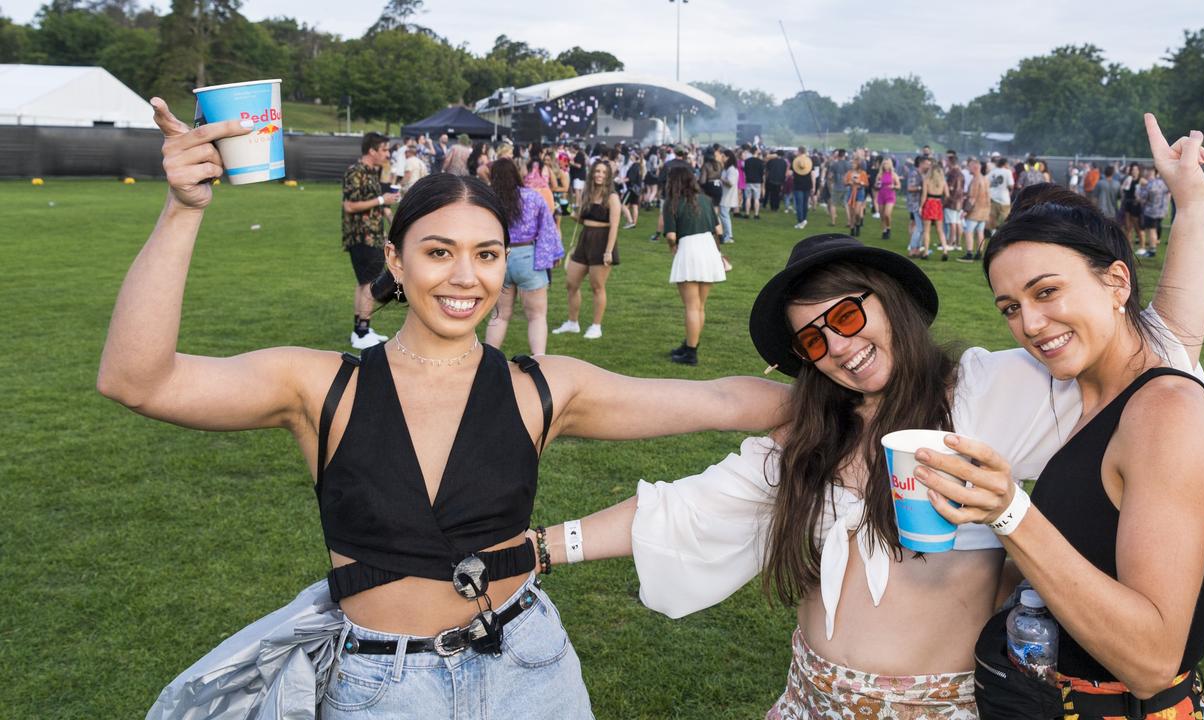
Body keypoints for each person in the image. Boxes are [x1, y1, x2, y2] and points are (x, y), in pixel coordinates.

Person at [117, 99, 792, 720]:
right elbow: (141, 380)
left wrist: (866, 403)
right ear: (397, 261)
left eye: (486, 255)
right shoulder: (319, 386)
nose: (465, 277)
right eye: (439, 253)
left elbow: (723, 399)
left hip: (533, 671)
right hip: (382, 689)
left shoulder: (544, 389)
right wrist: (182, 208)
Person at [528, 115, 1204, 720]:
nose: (841, 348)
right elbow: (684, 509)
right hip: (808, 696)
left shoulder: (987, 390)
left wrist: (1192, 206)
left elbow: (1154, 351)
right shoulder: (811, 435)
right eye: (815, 341)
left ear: (889, 303)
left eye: (849, 316)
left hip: (940, 706)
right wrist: (539, 549)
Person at [922, 117, 1204, 720]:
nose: (1030, 325)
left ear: (1117, 281)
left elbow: (1150, 660)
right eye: (1010, 307)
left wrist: (1010, 511)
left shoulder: (1165, 414)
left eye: (1046, 293)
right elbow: (1180, 319)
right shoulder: (1100, 391)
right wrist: (1192, 204)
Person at [483, 158, 563, 356]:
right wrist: (553, 254)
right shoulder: (533, 198)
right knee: (536, 316)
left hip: (499, 258)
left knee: (499, 315)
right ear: (516, 174)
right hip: (528, 258)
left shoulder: (488, 200)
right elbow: (547, 228)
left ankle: (488, 360)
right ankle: (539, 360)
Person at [342, 131, 400, 349]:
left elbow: (378, 205)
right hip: (361, 237)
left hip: (372, 235)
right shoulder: (355, 172)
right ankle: (362, 331)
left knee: (364, 283)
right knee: (370, 284)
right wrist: (380, 199)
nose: (387, 153)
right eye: (384, 149)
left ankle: (361, 329)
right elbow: (349, 205)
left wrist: (392, 217)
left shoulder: (371, 172)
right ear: (372, 150)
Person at [663, 166, 726, 366]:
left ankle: (690, 353)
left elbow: (671, 236)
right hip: (708, 249)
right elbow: (719, 229)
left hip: (689, 249)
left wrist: (672, 247)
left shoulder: (672, 203)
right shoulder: (706, 200)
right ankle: (691, 344)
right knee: (700, 306)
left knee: (691, 306)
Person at [552, 160, 620, 340]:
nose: (599, 175)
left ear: (608, 176)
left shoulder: (612, 197)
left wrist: (609, 251)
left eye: (603, 172)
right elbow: (582, 219)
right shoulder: (588, 194)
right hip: (585, 239)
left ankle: (596, 326)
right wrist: (568, 212)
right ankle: (572, 323)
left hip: (602, 241)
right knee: (571, 283)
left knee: (597, 286)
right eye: (597, 171)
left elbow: (614, 226)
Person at [959, 158, 989, 263]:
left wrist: (965, 211)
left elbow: (972, 198)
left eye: (969, 166)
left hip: (975, 211)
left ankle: (969, 254)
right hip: (985, 210)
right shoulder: (985, 178)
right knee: (980, 232)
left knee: (968, 232)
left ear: (975, 167)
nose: (968, 168)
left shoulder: (975, 180)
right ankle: (979, 253)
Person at [1137, 166, 1170, 258]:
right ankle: (1153, 247)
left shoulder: (1150, 184)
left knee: (1151, 231)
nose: (1147, 174)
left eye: (1149, 172)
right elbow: (1168, 194)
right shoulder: (1163, 183)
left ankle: (1152, 250)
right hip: (1161, 211)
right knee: (1155, 230)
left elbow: (1142, 198)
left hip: (1151, 211)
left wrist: (1141, 186)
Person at [919, 158, 947, 260]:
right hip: (938, 204)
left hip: (929, 204)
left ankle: (926, 252)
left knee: (927, 230)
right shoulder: (943, 181)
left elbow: (923, 196)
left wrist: (921, 207)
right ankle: (945, 250)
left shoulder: (926, 180)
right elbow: (947, 194)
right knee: (940, 230)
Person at [718, 147, 740, 244]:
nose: (722, 158)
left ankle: (729, 236)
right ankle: (726, 235)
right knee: (724, 215)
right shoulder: (727, 168)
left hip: (727, 196)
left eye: (723, 156)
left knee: (724, 215)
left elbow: (730, 183)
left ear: (728, 157)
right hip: (725, 195)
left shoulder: (732, 170)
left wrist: (720, 179)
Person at [827, 149, 853, 228]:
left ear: (838, 155)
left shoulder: (834, 164)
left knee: (833, 204)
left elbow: (830, 176)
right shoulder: (849, 164)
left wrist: (831, 181)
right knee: (846, 204)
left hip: (837, 186)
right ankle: (849, 222)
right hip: (846, 186)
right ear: (844, 155)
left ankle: (833, 221)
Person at [988, 156, 1014, 232]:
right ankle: (1003, 232)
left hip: (993, 197)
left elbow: (987, 182)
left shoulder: (993, 171)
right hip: (1004, 198)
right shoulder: (1008, 172)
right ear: (1005, 164)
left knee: (992, 217)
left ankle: (993, 233)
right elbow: (1011, 185)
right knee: (1005, 218)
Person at [874, 157, 898, 240]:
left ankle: (888, 228)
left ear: (890, 165)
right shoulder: (880, 175)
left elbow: (899, 185)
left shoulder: (893, 175)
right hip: (881, 195)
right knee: (882, 215)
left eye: (887, 163)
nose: (885, 165)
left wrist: (894, 186)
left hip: (890, 195)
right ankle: (884, 230)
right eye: (884, 164)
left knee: (887, 214)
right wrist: (877, 185)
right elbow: (876, 185)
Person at [1120, 163, 1143, 246]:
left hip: (1135, 205)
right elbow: (1122, 189)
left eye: (1136, 170)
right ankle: (1129, 246)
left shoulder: (1141, 180)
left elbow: (1147, 189)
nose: (1134, 171)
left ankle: (1142, 246)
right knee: (1128, 227)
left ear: (1139, 171)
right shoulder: (1128, 179)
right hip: (1127, 203)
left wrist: (1140, 198)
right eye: (1133, 170)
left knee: (1137, 227)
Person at [792, 147, 814, 229]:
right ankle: (804, 219)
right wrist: (813, 186)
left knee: (799, 204)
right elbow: (813, 175)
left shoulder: (795, 161)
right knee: (805, 204)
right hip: (807, 185)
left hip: (798, 185)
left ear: (799, 151)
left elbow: (789, 173)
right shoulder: (809, 161)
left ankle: (800, 221)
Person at [743, 146, 765, 219]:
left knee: (748, 198)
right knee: (756, 198)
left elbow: (745, 170)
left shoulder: (747, 161)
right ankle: (756, 214)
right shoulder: (760, 161)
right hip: (757, 181)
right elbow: (762, 172)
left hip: (748, 180)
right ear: (756, 151)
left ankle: (747, 213)